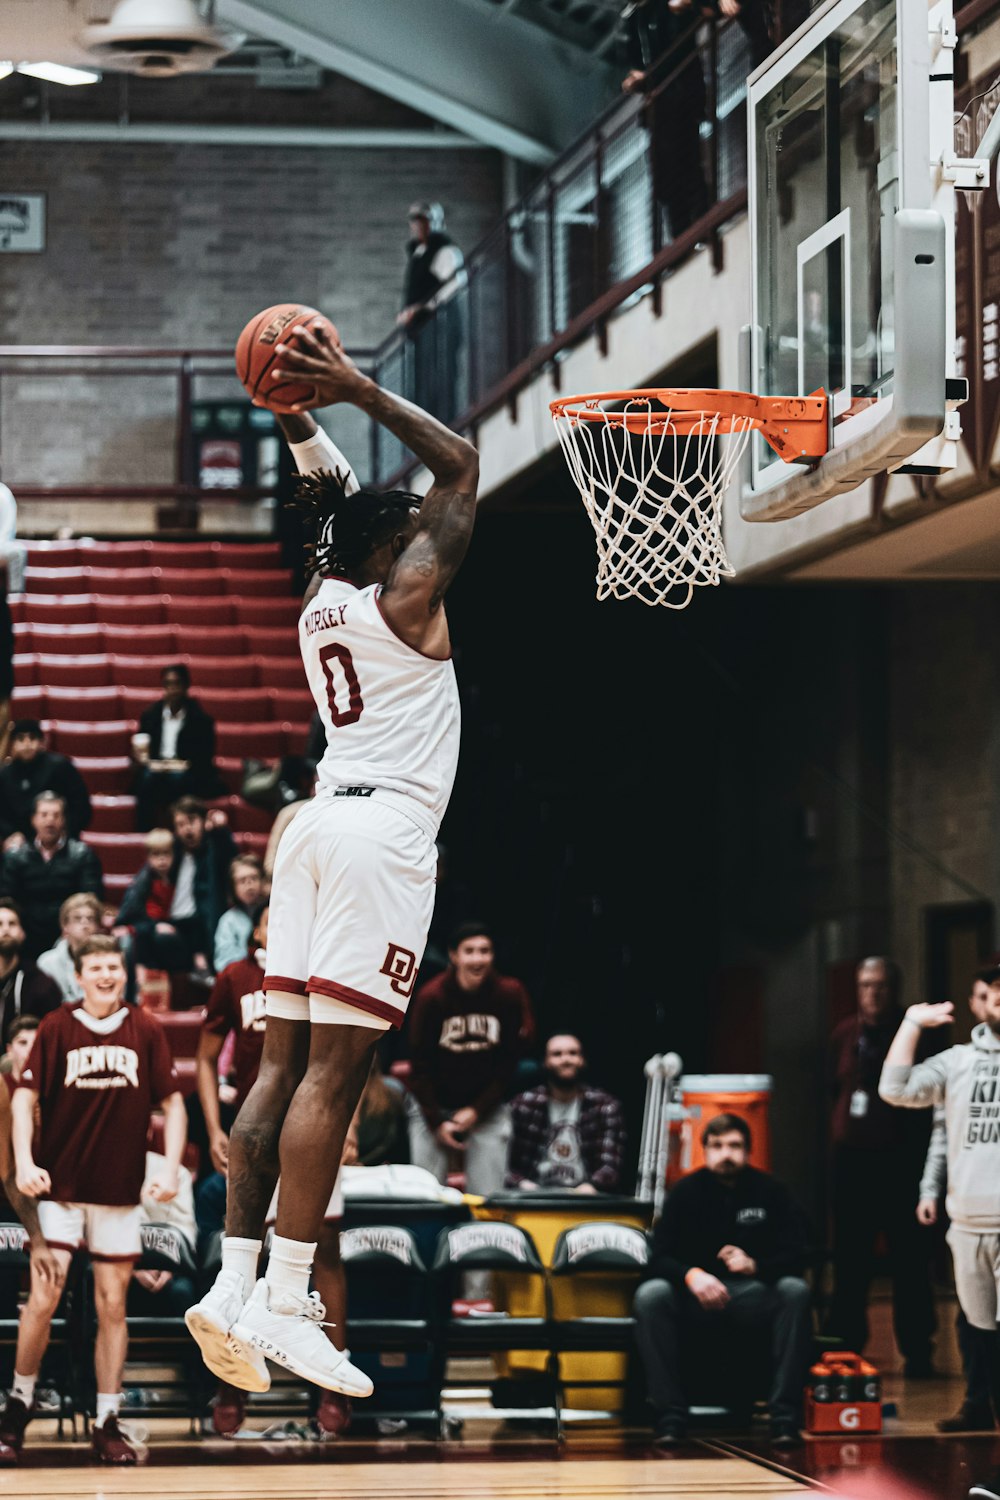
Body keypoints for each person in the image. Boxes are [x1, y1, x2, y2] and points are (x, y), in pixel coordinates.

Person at [185, 319, 478, 1404]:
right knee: (334, 1078)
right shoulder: (411, 599)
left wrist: (300, 418)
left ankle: (231, 1283)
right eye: (408, 533)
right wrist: (355, 385)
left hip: (310, 827)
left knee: (275, 1070)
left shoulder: (327, 596)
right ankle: (292, 1300)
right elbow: (459, 465)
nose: (422, 536)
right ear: (392, 551)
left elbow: (338, 497)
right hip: (379, 839)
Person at [4, 935, 186, 1466]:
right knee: (43, 1297)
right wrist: (23, 1161)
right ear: (78, 977)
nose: (106, 975)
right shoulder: (57, 1026)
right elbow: (23, 1098)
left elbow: (173, 1104)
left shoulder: (145, 1028)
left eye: (114, 966)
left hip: (118, 1192)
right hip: (61, 1189)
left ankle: (107, 1419)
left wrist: (171, 1168)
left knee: (113, 1306)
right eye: (96, 967)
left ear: (124, 974)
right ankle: (18, 1403)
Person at [878, 971, 1000, 1500]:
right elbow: (894, 1088)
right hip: (967, 1226)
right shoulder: (956, 1062)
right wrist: (909, 1023)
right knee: (984, 1341)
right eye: (992, 992)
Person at [632, 1113, 813, 1448]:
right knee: (650, 1294)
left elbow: (799, 1253)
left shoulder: (771, 1192)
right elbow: (657, 1256)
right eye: (717, 1146)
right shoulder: (685, 1192)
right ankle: (669, 1417)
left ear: (748, 1150)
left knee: (796, 1291)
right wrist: (692, 1275)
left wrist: (755, 1265)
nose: (725, 1154)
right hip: (693, 1297)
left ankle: (784, 1418)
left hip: (751, 1294)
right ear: (704, 1150)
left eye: (734, 1146)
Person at [825, 955, 937, 1374]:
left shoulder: (918, 1037)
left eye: (881, 986)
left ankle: (918, 1349)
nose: (872, 994)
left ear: (895, 989)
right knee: (850, 1259)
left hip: (901, 1163)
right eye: (865, 985)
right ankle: (845, 1344)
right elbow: (832, 1089)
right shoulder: (843, 1035)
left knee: (910, 1261)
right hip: (853, 1164)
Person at [918, 967, 995, 1432]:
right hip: (970, 1216)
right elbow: (941, 1136)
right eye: (986, 996)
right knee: (972, 1322)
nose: (992, 1004)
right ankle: (977, 1400)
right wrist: (930, 1188)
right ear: (975, 1003)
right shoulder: (959, 1064)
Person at [405, 922, 525, 1197]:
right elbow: (418, 1066)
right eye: (469, 951)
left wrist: (476, 1111)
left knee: (488, 1198)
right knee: (426, 1194)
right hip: (431, 1105)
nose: (477, 958)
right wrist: (437, 1122)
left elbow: (508, 1065)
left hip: (485, 1106)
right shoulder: (432, 997)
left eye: (485, 951)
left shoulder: (508, 995)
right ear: (454, 956)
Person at [621, 0, 709, 243]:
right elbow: (638, 66)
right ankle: (682, 234)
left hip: (680, 96)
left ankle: (700, 226)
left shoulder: (664, 9)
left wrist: (680, 11)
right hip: (661, 104)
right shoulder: (634, 19)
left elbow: (691, 23)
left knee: (687, 161)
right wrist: (637, 80)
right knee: (667, 173)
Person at [116, 799, 235, 977]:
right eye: (181, 824)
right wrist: (125, 922)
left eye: (192, 821)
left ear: (203, 822)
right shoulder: (170, 853)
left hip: (203, 930)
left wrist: (221, 831)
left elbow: (230, 858)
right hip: (170, 927)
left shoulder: (213, 849)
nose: (187, 829)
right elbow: (140, 889)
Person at [506, 1033, 627, 1193]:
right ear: (545, 1062)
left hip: (586, 1200)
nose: (566, 1059)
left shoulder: (605, 1106)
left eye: (573, 1053)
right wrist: (524, 1185)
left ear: (582, 1060)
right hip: (531, 1199)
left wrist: (591, 1187)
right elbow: (503, 1164)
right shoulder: (523, 1105)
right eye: (557, 1054)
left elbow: (610, 1167)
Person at [0, 794, 104, 962]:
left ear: (63, 820)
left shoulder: (82, 854)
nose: (50, 821)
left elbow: (90, 897)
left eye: (56, 815)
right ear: (33, 819)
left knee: (82, 922)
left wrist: (69, 927)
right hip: (28, 930)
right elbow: (7, 898)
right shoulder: (15, 856)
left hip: (69, 929)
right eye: (44, 815)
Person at [398, 201, 466, 424]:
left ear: (435, 222)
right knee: (421, 381)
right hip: (421, 330)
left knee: (441, 378)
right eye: (415, 221)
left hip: (440, 328)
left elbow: (453, 286)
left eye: (424, 220)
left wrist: (421, 308)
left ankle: (446, 423)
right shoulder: (419, 253)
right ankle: (424, 421)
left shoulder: (445, 250)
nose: (419, 226)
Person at [132, 664, 219, 832]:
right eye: (168, 684)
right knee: (146, 779)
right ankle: (144, 832)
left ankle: (179, 831)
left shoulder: (200, 720)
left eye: (176, 684)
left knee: (178, 779)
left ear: (186, 686)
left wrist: (184, 764)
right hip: (156, 768)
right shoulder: (150, 715)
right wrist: (141, 759)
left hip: (186, 771)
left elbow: (204, 758)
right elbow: (141, 751)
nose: (172, 689)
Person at [0, 721, 91, 848]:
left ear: (42, 742)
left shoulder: (60, 767)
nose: (27, 744)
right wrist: (10, 833)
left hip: (60, 838)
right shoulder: (4, 774)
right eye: (20, 739)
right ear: (12, 745)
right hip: (20, 842)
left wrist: (64, 833)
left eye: (32, 738)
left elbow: (81, 807)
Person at [0, 902, 62, 1037]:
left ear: (22, 933)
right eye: (0, 924)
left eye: (12, 923)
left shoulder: (41, 985)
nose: (5, 929)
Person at [35, 892, 102, 1005]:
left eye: (90, 919)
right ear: (65, 926)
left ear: (97, 926)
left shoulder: (108, 961)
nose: (85, 923)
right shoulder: (47, 962)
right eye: (77, 918)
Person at [213, 855, 265, 974]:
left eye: (254, 878)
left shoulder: (271, 913)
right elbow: (223, 962)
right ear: (233, 887)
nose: (249, 885)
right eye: (242, 881)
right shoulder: (228, 920)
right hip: (242, 976)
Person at [1, 1016, 39, 1084]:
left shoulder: (49, 1087)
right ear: (9, 1050)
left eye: (36, 1043)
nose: (30, 1049)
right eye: (23, 1042)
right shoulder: (2, 1085)